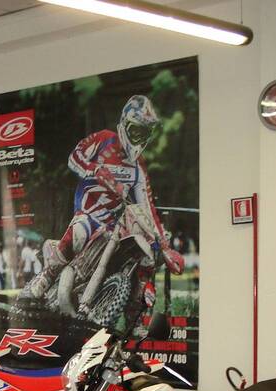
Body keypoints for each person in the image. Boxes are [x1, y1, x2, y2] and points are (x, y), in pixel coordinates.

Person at [21, 94, 182, 301]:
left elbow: (147, 206)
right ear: (124, 124)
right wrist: (94, 170)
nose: (139, 138)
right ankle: (47, 276)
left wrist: (165, 247)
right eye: (136, 131)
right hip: (89, 210)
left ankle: (132, 306)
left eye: (144, 133)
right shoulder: (104, 139)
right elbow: (74, 156)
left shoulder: (139, 165)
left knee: (141, 252)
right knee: (79, 233)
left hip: (114, 222)